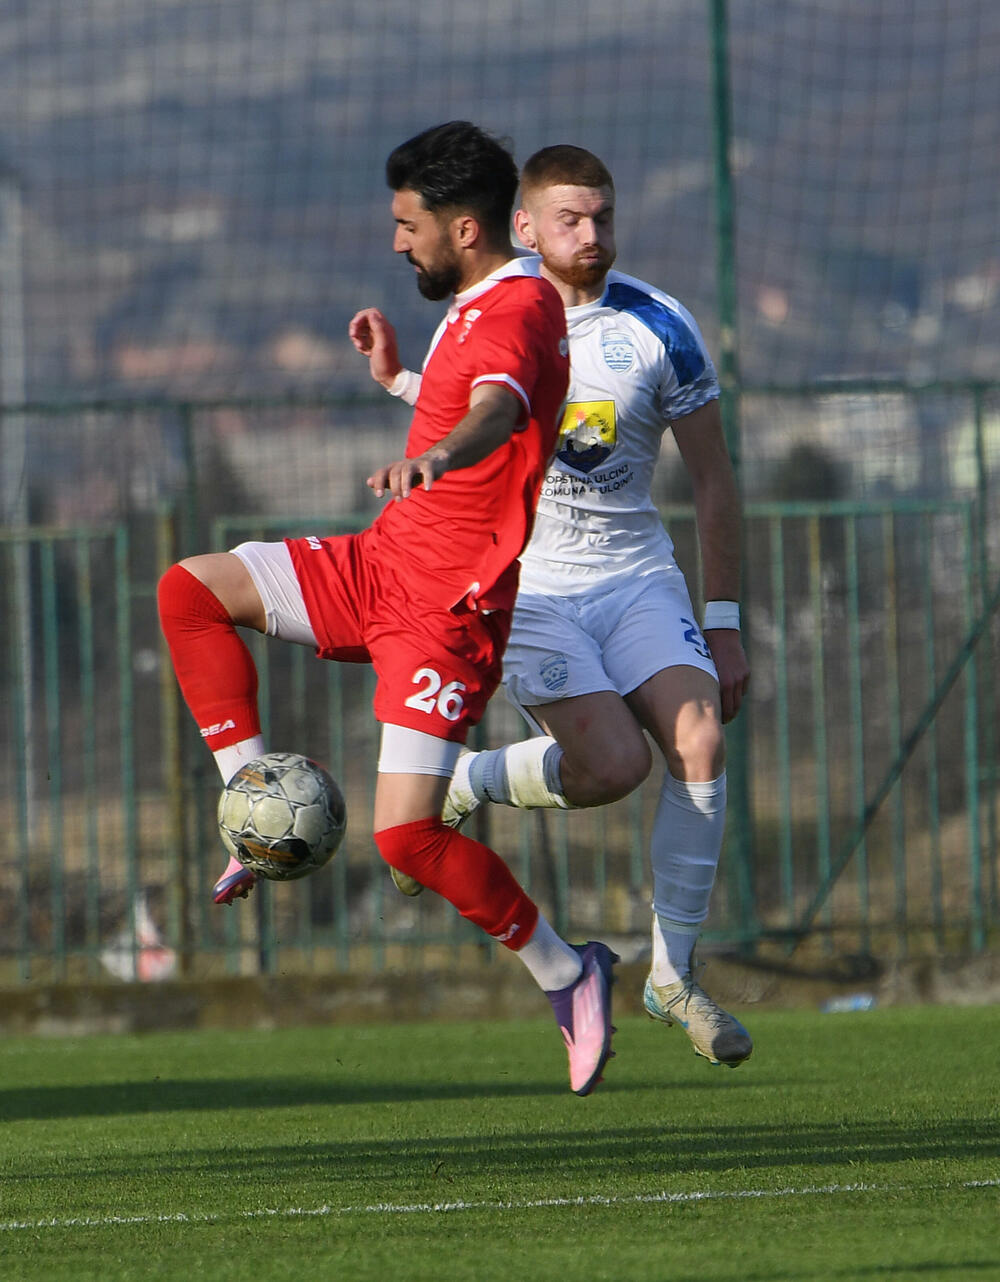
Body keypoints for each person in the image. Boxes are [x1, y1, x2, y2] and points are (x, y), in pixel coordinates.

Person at [156, 122, 617, 1097]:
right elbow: (470, 394)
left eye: (406, 225)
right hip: (380, 563)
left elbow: (497, 406)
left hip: (444, 612)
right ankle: (250, 803)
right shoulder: (475, 301)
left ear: (461, 228)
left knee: (406, 836)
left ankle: (569, 974)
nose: (396, 242)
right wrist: (400, 385)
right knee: (190, 590)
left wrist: (438, 454)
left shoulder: (515, 309)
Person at [369, 144, 753, 1069]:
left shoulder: (662, 324)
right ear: (527, 228)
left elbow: (712, 480)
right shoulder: (495, 311)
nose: (594, 237)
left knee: (698, 738)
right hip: (532, 585)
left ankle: (672, 976)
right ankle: (467, 786)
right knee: (615, 765)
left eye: (605, 218)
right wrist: (400, 386)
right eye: (572, 221)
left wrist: (727, 623)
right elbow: (484, 411)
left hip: (636, 577)